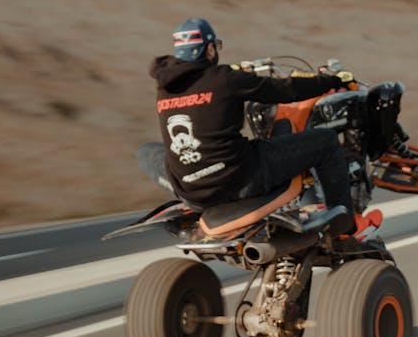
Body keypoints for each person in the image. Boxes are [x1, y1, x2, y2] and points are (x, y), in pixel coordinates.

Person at [146, 17, 380, 237]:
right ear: (209, 49)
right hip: (238, 180)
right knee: (326, 141)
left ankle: (191, 207)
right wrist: (332, 80)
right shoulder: (224, 78)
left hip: (191, 190)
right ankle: (347, 228)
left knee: (147, 151)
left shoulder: (164, 87)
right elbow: (286, 90)